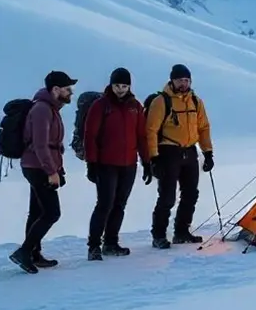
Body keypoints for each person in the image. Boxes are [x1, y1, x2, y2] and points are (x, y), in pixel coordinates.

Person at [8, 70, 76, 274]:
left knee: (38, 211)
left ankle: (33, 254)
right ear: (55, 89)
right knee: (52, 212)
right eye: (67, 89)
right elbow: (40, 144)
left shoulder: (51, 108)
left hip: (38, 165)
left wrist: (58, 168)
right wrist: (51, 171)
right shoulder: (42, 110)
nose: (70, 92)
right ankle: (24, 251)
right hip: (37, 167)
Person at [83, 67, 151, 259]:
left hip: (129, 164)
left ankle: (111, 243)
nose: (120, 89)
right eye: (117, 85)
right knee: (105, 204)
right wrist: (91, 163)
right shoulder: (100, 105)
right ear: (110, 85)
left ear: (129, 86)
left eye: (124, 85)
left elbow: (141, 136)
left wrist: (146, 162)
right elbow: (90, 136)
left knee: (120, 204)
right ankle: (94, 246)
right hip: (106, 164)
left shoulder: (135, 106)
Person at [146, 63, 214, 248]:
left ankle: (182, 231)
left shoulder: (196, 101)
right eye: (179, 80)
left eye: (186, 80)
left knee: (191, 194)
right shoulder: (162, 101)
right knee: (167, 196)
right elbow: (151, 130)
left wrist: (208, 153)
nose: (183, 83)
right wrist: (154, 157)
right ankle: (158, 235)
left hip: (190, 151)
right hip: (169, 151)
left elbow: (203, 128)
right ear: (172, 80)